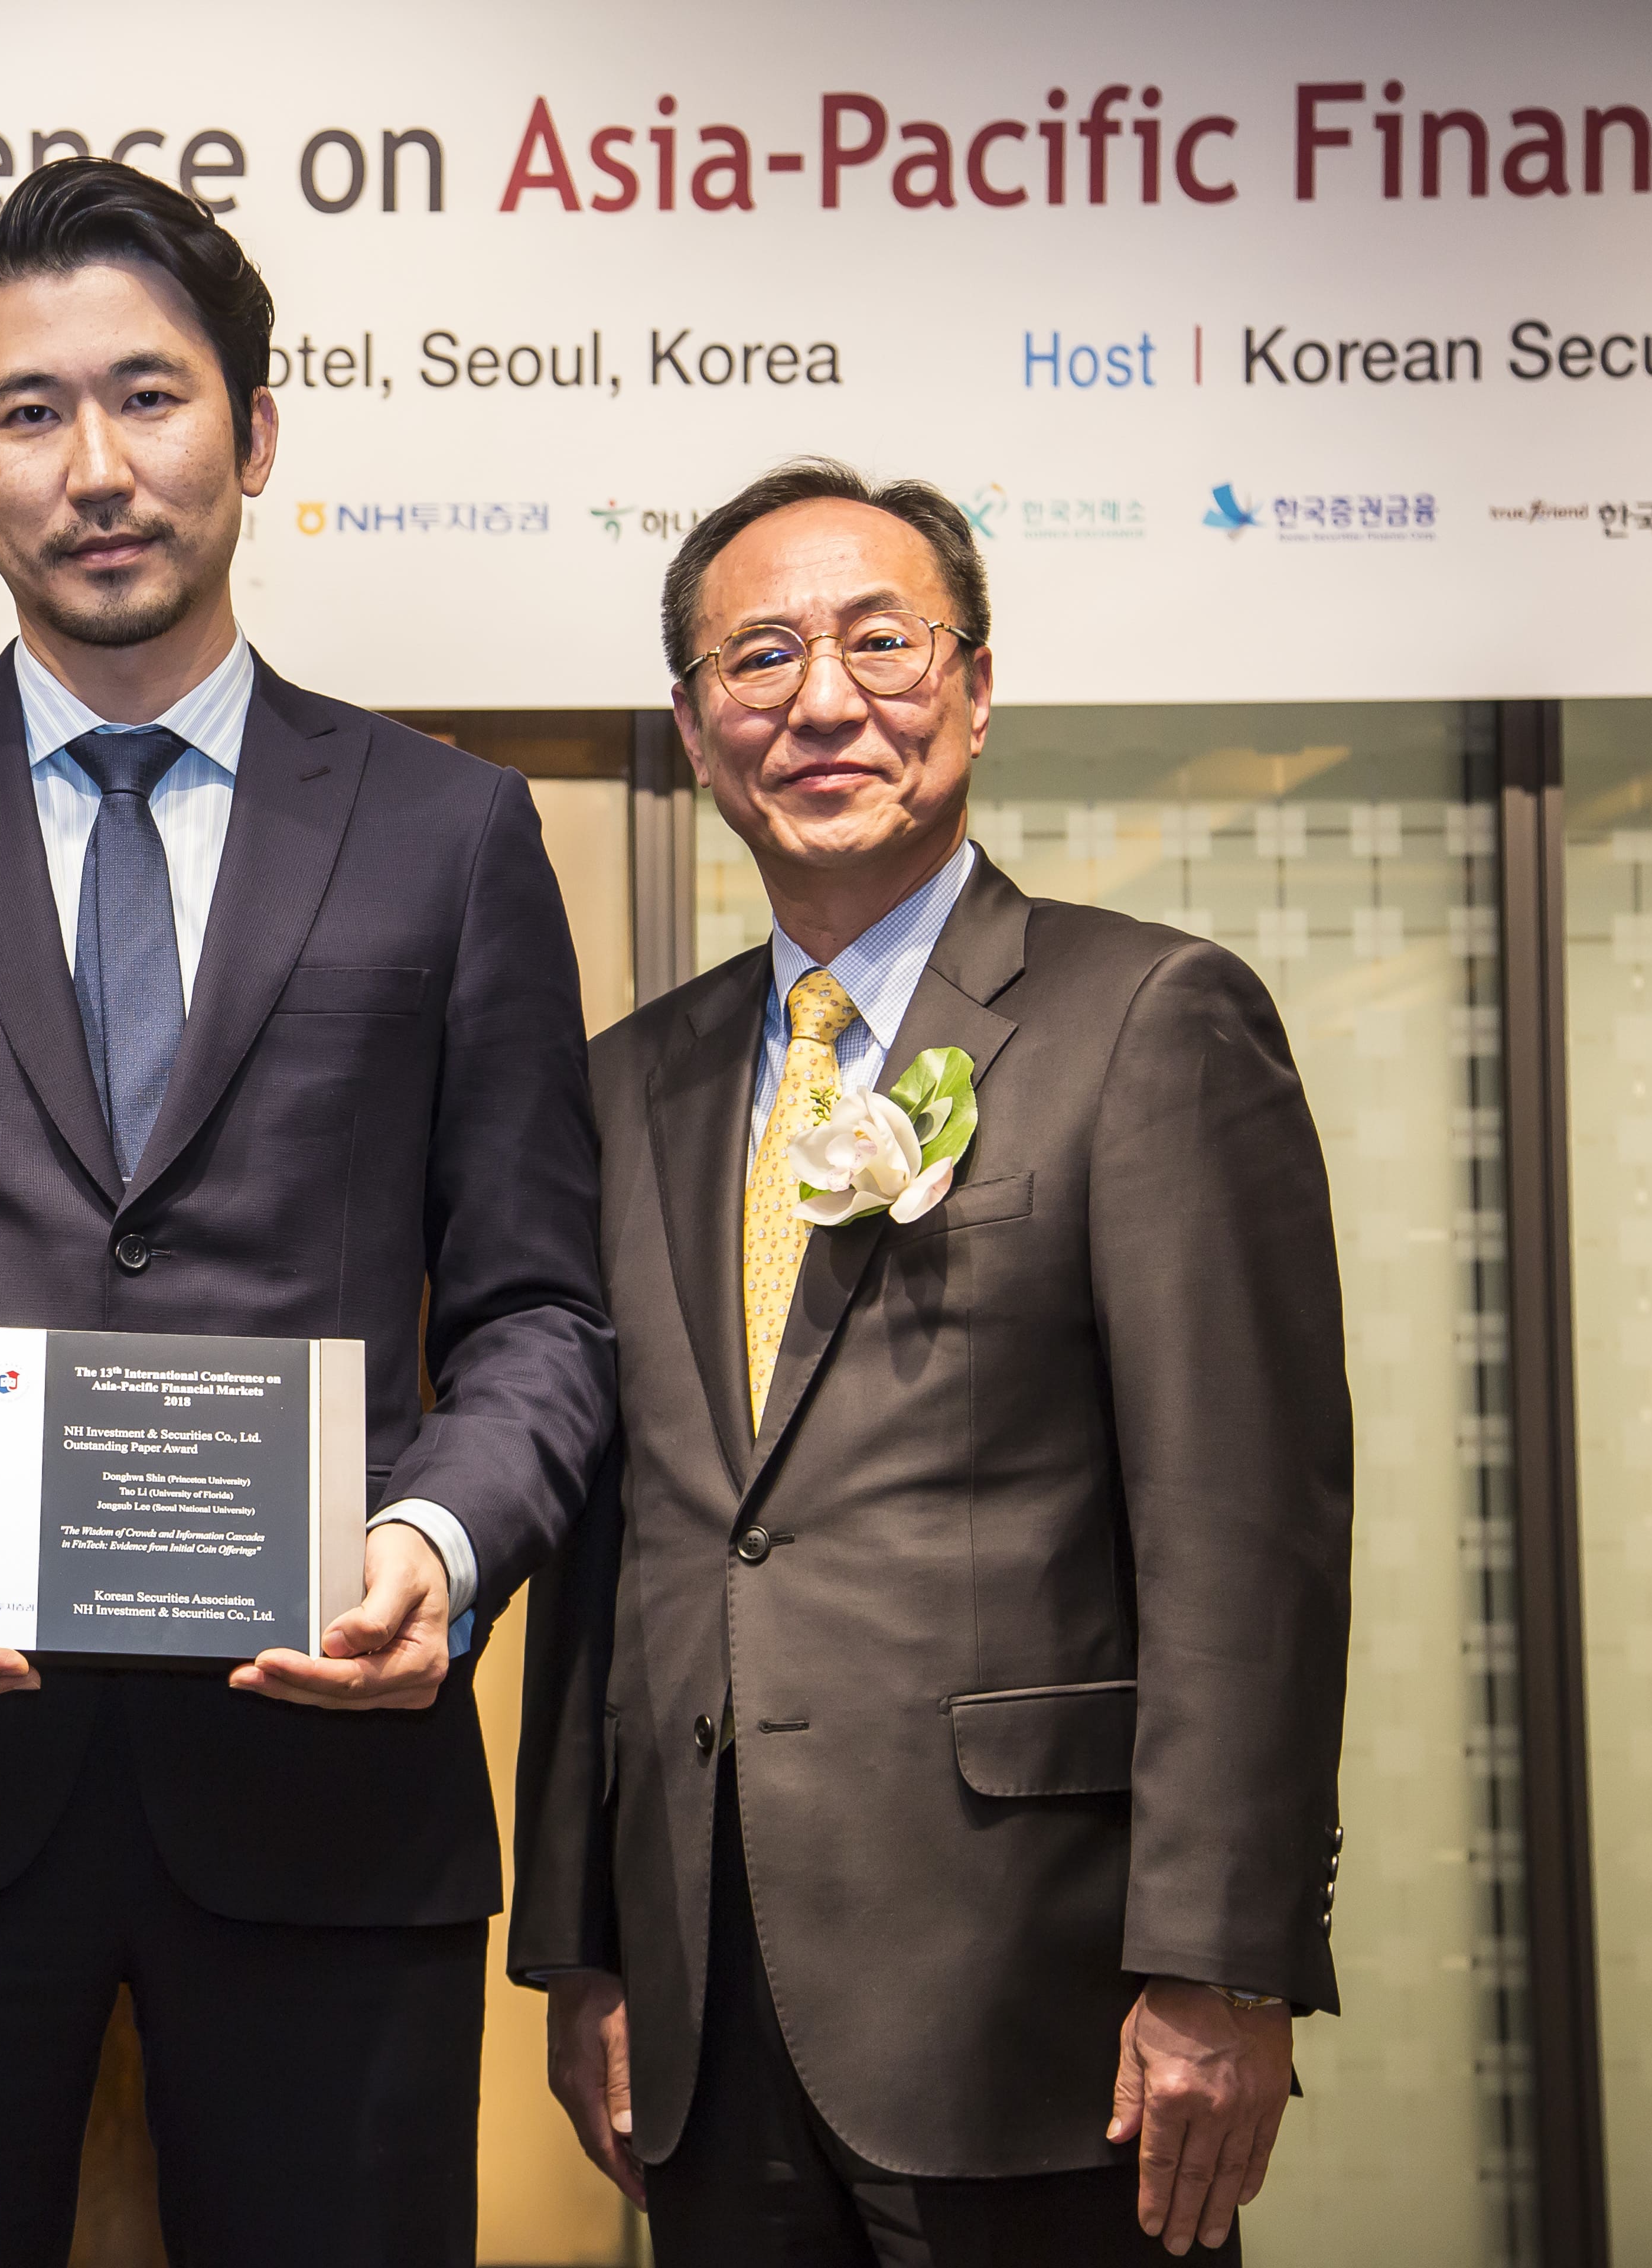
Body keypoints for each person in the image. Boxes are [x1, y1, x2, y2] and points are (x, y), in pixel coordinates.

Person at [0, 158, 614, 2266]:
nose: (96, 468)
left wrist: (439, 1546)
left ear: (254, 434)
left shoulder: (451, 834)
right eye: (28, 413)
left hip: (324, 1787)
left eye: (150, 397)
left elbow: (542, 1312)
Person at [511, 458, 1352, 2263]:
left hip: (1046, 2001)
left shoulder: (1146, 1019)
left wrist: (1224, 1959)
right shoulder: (624, 1085)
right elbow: (616, 1545)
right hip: (707, 1995)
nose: (823, 701)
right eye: (760, 657)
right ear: (693, 729)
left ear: (973, 687)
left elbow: (1244, 1537)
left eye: (881, 643)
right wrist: (585, 1946)